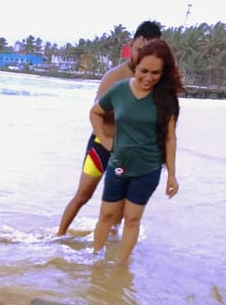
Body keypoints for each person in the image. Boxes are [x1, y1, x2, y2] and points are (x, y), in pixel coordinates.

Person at [56, 20, 162, 237]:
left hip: (131, 153)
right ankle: (58, 236)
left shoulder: (154, 81)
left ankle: (110, 243)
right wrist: (106, 140)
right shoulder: (115, 77)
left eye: (148, 51)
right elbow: (95, 114)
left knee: (121, 205)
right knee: (82, 196)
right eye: (139, 50)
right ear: (131, 45)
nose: (142, 56)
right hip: (102, 146)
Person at [90, 38, 184, 264]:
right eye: (144, 71)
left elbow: (170, 138)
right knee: (106, 216)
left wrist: (171, 175)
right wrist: (104, 139)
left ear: (164, 73)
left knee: (132, 220)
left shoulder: (166, 99)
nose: (149, 77)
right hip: (119, 165)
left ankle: (121, 269)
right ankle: (94, 262)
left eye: (156, 73)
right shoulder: (120, 90)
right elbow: (95, 113)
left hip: (148, 169)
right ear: (136, 65)